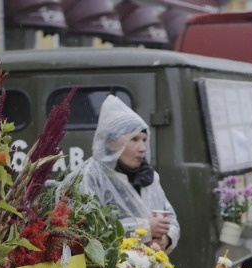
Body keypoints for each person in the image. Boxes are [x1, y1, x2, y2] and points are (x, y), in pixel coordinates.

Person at [67, 94, 180, 253]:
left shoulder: (149, 177)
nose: (142, 148)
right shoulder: (90, 176)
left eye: (144, 139)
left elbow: (171, 220)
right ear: (112, 143)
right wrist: (145, 229)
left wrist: (166, 239)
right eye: (134, 139)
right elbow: (87, 229)